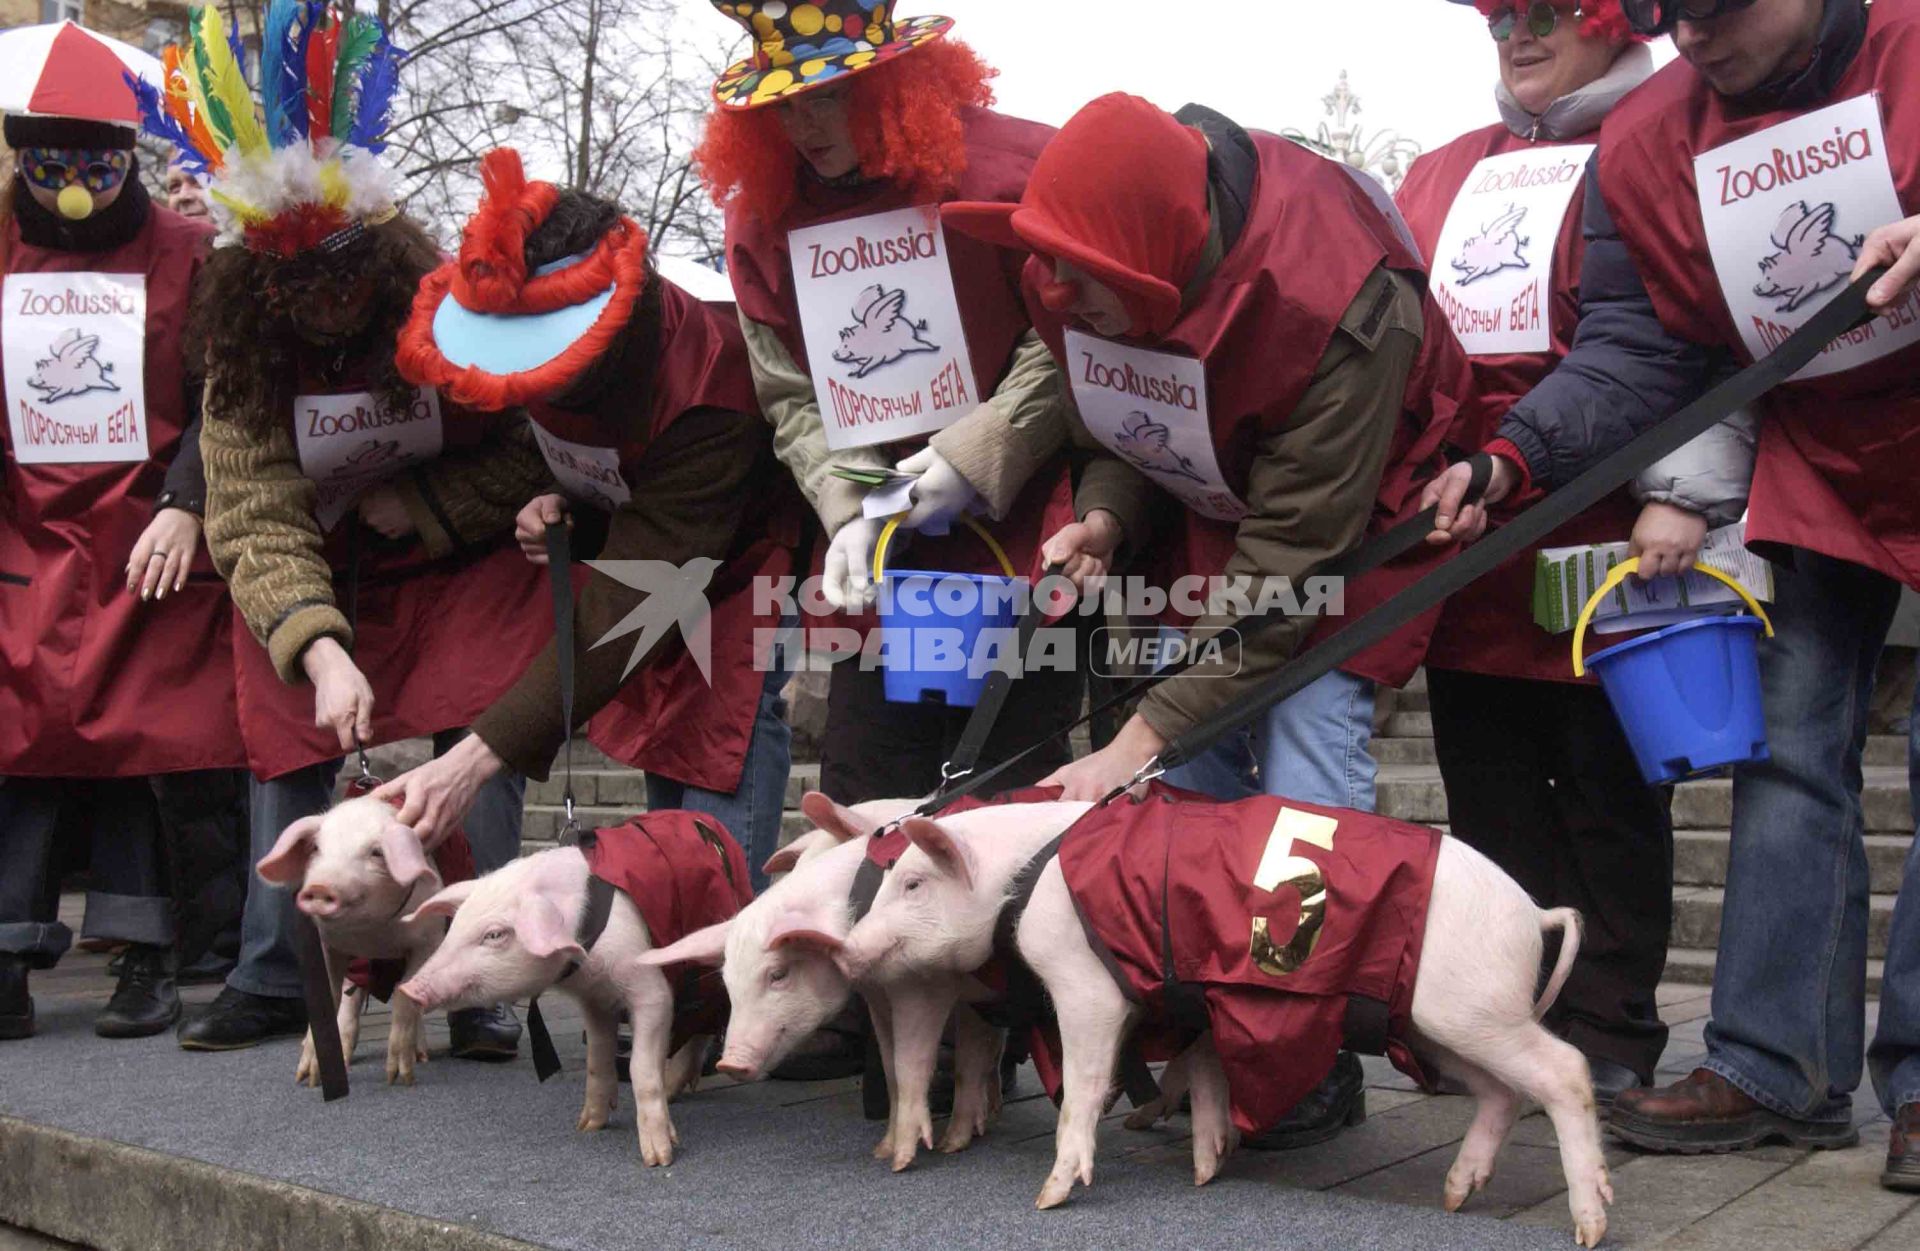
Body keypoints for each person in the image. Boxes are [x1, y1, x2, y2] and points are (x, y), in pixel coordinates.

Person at [1422, 0, 1920, 1189]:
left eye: (1721, 7)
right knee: (1789, 750)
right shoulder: (1648, 139)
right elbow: (1649, 346)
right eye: (1670, 11)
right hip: (1820, 465)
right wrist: (1517, 456)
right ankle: (1771, 1067)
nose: (1694, 34)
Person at [943, 92, 1441, 1146]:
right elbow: (1124, 410)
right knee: (1183, 798)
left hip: (1349, 519)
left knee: (1304, 782)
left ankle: (1305, 1053)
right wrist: (1107, 521)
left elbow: (1284, 574)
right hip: (1211, 505)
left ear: (1161, 269)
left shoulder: (1347, 300)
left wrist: (1128, 742)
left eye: (1087, 287)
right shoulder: (1077, 264)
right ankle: (1212, 1045)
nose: (1056, 296)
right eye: (1050, 276)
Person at [138, 6, 538, 1058]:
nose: (323, 306)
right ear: (257, 283)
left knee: (479, 722)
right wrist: (318, 650)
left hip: (451, 562)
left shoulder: (457, 317)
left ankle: (479, 964)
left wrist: (431, 507)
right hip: (313, 568)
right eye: (295, 287)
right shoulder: (243, 360)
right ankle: (280, 970)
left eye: (343, 279)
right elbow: (252, 511)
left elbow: (525, 447)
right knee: (281, 734)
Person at [1402, 0, 1751, 1105]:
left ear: (1612, 18)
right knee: (1491, 800)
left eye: (1549, 11)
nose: (1519, 33)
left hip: (1616, 542)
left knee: (1609, 801)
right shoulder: (1445, 166)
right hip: (1470, 545)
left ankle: (1609, 1023)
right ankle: (1503, 1018)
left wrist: (1686, 495)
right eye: (1504, 15)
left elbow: (1695, 336)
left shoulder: (1669, 139)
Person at [382, 147, 802, 895]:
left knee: (713, 761)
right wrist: (567, 501)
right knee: (664, 762)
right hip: (653, 563)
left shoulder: (714, 379)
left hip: (740, 577)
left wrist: (477, 756)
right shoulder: (560, 353)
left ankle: (717, 963)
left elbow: (637, 598)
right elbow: (585, 451)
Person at [696, 1, 1083, 810]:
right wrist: (850, 510)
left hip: (1023, 529)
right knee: (868, 804)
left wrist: (972, 454)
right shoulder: (762, 224)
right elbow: (791, 394)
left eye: (830, 94)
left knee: (1002, 807)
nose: (805, 123)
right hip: (881, 556)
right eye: (786, 102)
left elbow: (1069, 332)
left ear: (893, 84)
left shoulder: (1015, 171)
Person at [1, 75, 245, 1039]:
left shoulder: (190, 254)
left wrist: (189, 501)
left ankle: (146, 954)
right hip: (25, 538)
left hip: (149, 537)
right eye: (51, 169)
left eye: (97, 169)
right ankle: (10, 952)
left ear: (127, 162)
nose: (76, 191)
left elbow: (225, 394)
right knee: (17, 746)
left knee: (142, 744)